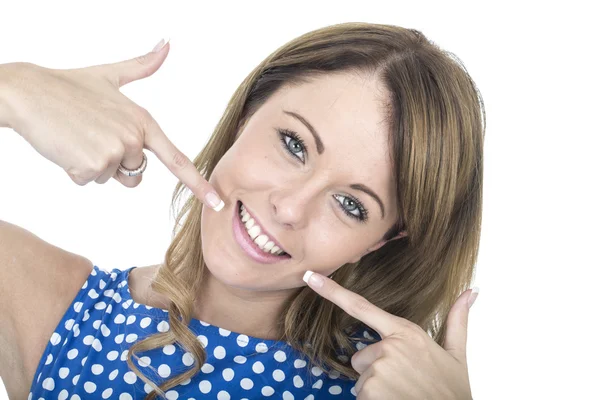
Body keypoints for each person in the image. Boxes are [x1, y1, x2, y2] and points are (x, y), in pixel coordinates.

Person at [0, 22, 484, 399]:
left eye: (350, 204)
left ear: (380, 241)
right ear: (247, 114)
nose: (291, 207)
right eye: (294, 145)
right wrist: (12, 89)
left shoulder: (379, 388)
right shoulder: (58, 305)